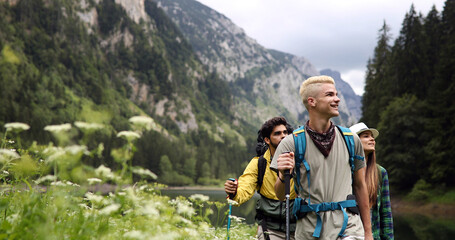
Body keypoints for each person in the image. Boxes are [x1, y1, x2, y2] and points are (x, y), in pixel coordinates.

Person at [270, 75, 373, 240]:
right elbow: (281, 195)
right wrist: (283, 175)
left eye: (336, 94)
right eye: (330, 95)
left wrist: (368, 233)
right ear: (312, 102)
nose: (337, 99)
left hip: (349, 229)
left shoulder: (351, 139)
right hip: (310, 232)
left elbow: (361, 186)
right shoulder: (291, 143)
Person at [224, 116, 297, 240]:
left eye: (285, 132)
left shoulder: (300, 161)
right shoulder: (259, 164)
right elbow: (244, 188)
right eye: (277, 133)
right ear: (267, 140)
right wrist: (234, 191)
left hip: (300, 227)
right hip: (269, 229)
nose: (283, 136)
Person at [349, 123, 394, 240]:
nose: (372, 139)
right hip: (350, 235)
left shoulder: (380, 172)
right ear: (354, 141)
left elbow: (386, 213)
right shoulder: (346, 172)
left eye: (372, 136)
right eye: (366, 136)